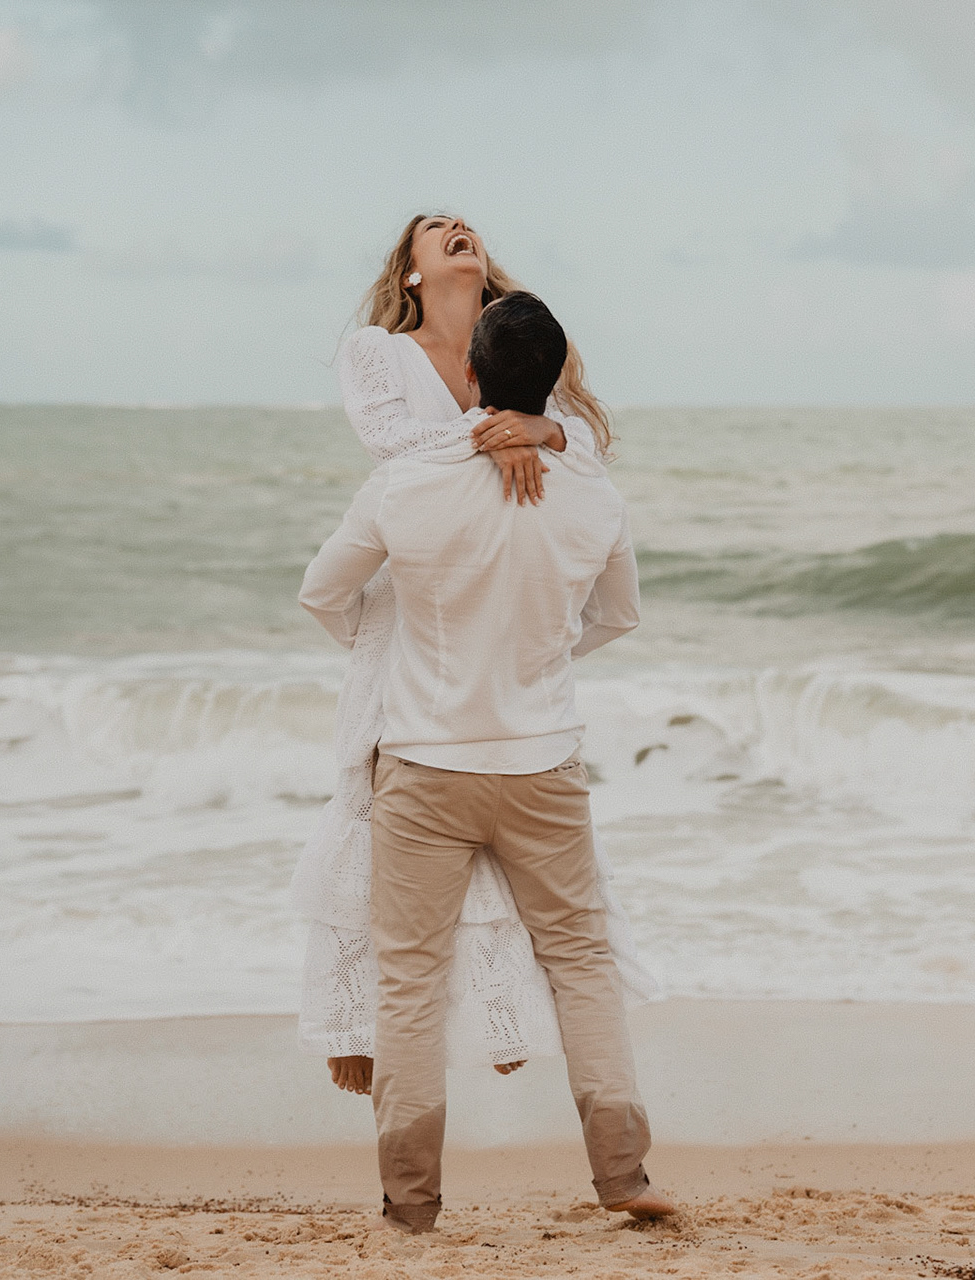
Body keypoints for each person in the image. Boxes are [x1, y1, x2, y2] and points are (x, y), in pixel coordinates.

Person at [299, 291, 673, 1231]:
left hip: (424, 765)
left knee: (411, 977)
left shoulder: (409, 482)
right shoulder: (592, 491)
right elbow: (618, 617)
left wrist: (382, 651)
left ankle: (412, 1202)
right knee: (580, 964)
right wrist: (539, 656)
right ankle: (624, 1178)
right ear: (554, 380)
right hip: (543, 764)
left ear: (469, 373)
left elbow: (322, 594)